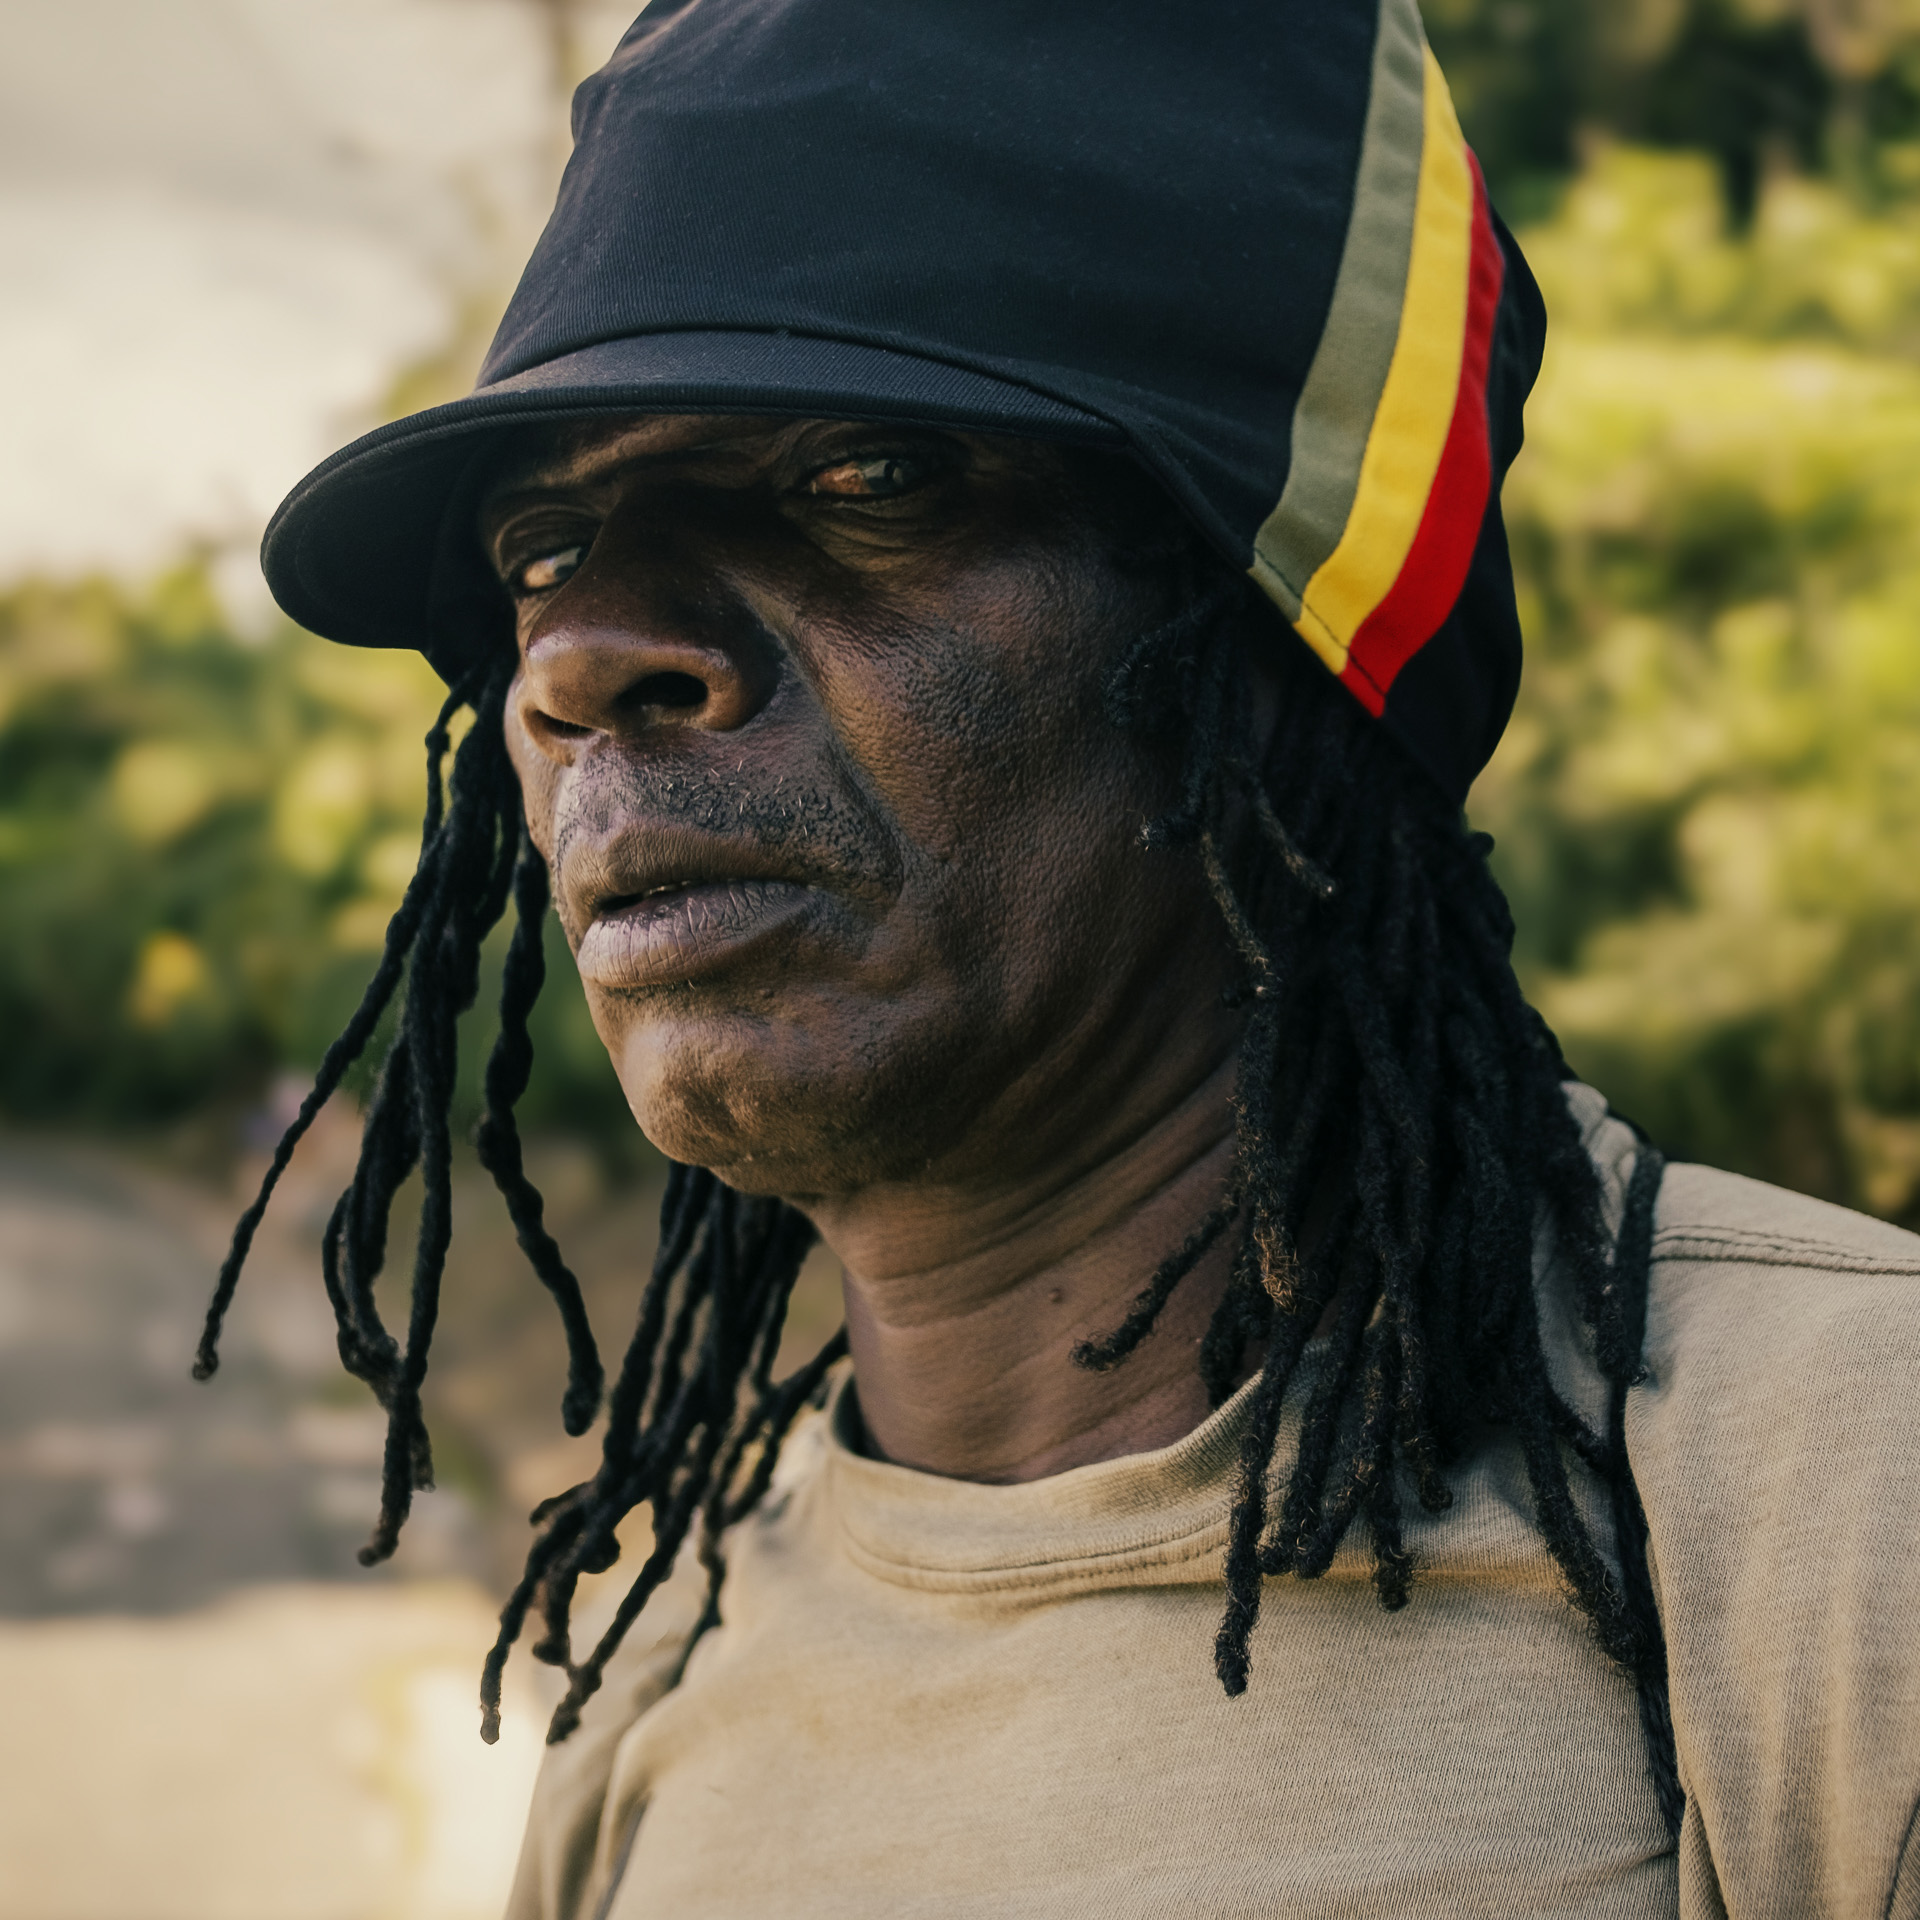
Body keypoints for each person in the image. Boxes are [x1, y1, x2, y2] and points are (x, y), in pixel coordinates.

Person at [197, 1, 1920, 1914]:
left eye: (867, 479)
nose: (577, 654)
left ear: (1273, 657)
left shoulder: (1834, 1508)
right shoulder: (666, 1670)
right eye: (542, 541)